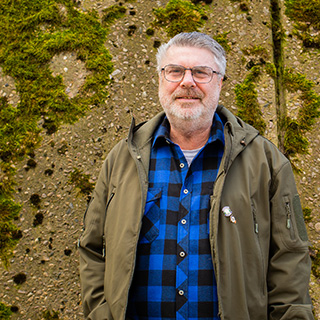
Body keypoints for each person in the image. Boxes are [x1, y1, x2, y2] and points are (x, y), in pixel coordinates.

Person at [78, 32, 314, 320]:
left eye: (201, 72)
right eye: (175, 71)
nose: (186, 82)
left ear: (220, 82)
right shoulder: (122, 159)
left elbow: (290, 258)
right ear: (160, 79)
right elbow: (91, 248)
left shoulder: (267, 162)